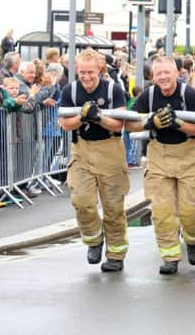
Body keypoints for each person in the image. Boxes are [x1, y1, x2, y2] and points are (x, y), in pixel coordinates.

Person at [125, 57, 195, 275]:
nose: (162, 77)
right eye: (158, 73)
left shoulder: (189, 95)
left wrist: (178, 123)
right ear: (153, 77)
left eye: (167, 73)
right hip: (159, 155)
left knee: (190, 209)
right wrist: (149, 122)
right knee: (162, 211)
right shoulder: (148, 96)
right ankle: (170, 256)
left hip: (187, 155)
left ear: (177, 73)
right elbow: (130, 123)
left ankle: (193, 239)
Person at [59, 48, 130, 272]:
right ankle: (94, 239)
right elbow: (65, 123)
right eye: (82, 72)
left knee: (113, 206)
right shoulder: (70, 90)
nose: (86, 77)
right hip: (82, 149)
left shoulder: (113, 90)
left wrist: (98, 116)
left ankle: (116, 254)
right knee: (81, 200)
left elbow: (119, 124)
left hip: (110, 148)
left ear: (99, 69)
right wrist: (81, 117)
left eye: (90, 72)